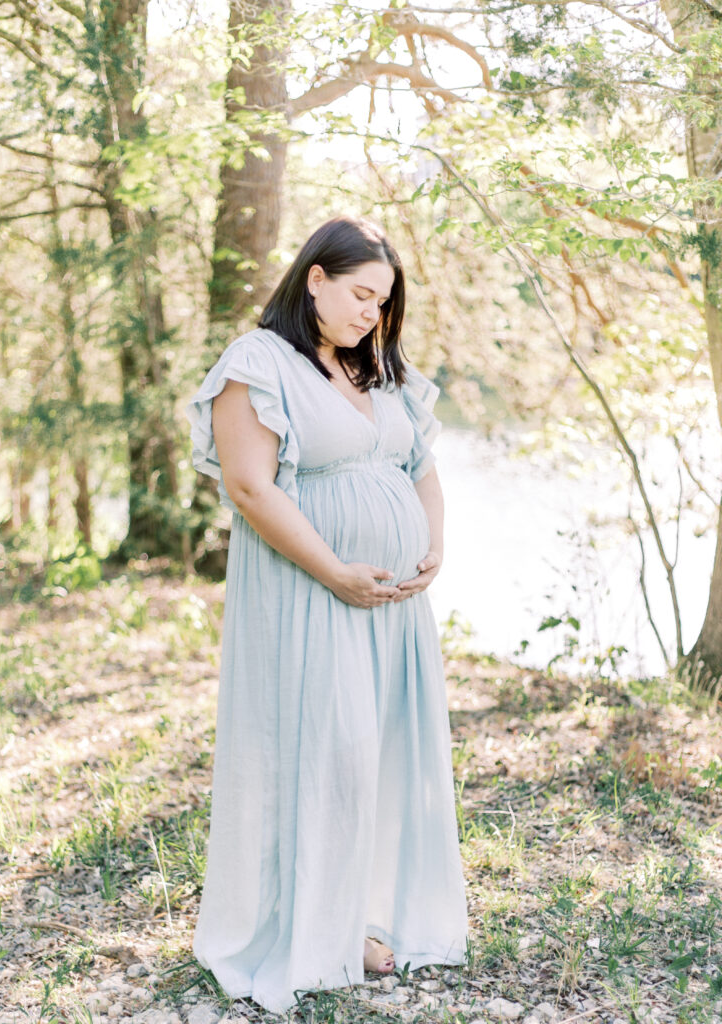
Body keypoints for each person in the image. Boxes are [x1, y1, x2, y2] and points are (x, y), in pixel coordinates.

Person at [186, 215, 469, 1013]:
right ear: (315, 278)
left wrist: (432, 546)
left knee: (382, 755)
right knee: (326, 753)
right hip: (310, 593)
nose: (370, 315)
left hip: (389, 604)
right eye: (358, 295)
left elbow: (421, 467)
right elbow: (250, 486)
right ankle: (305, 926)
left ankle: (362, 919)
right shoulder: (259, 363)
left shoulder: (377, 369)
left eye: (381, 302)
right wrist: (336, 571)